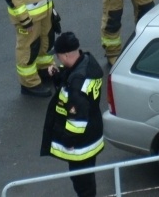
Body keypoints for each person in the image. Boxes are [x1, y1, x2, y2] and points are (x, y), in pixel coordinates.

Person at [40, 31, 106, 196]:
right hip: (91, 133)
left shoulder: (78, 83)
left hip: (80, 144)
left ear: (67, 54)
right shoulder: (86, 62)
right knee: (86, 179)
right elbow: (71, 78)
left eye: (59, 55)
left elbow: (78, 118)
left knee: (82, 184)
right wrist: (58, 75)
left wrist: (68, 140)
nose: (57, 59)